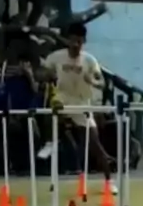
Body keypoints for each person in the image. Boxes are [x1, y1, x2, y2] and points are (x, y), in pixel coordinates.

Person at [38, 22, 117, 192]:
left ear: (84, 41)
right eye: (73, 41)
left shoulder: (89, 60)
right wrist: (46, 75)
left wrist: (92, 81)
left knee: (95, 145)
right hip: (62, 97)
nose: (75, 45)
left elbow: (102, 83)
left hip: (81, 103)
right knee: (53, 105)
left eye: (79, 42)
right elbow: (40, 74)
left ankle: (109, 182)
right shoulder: (55, 57)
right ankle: (50, 142)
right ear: (67, 40)